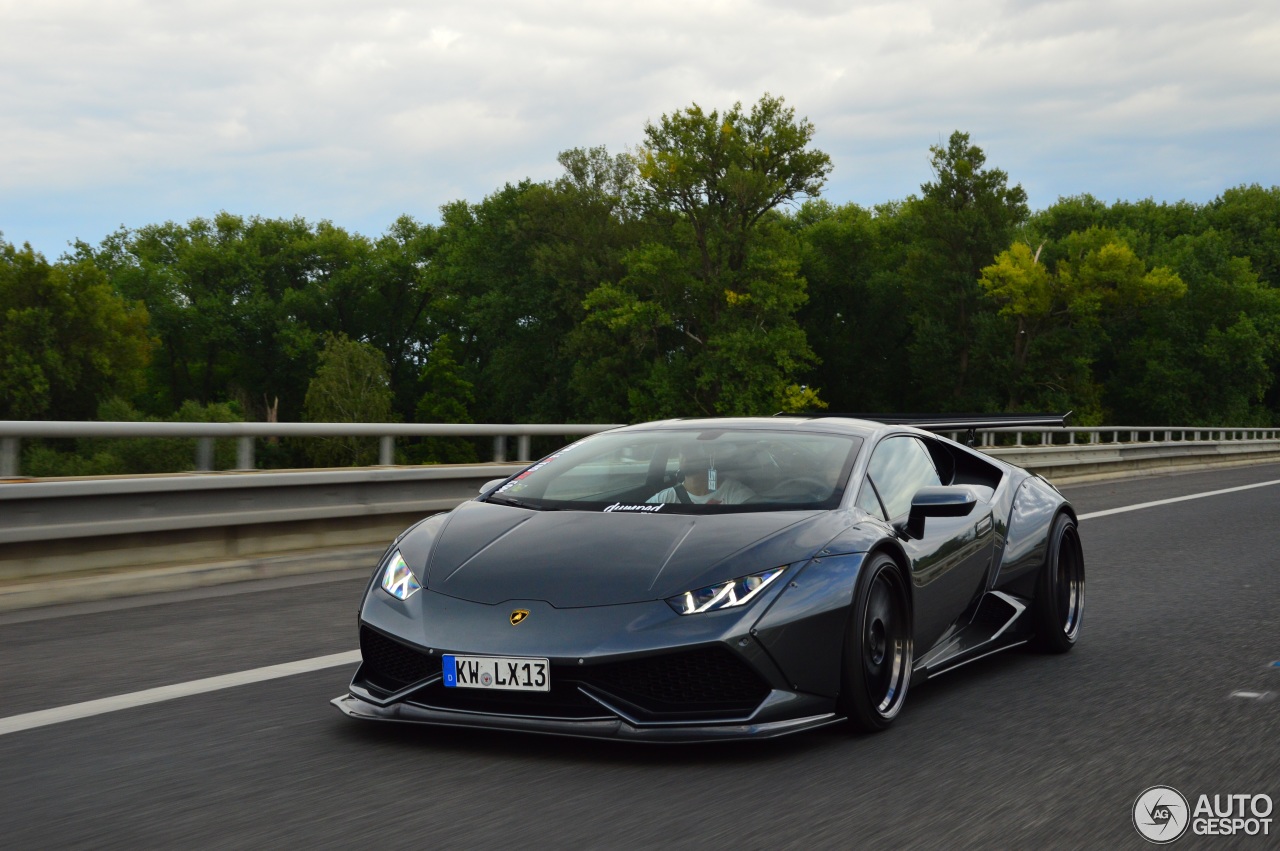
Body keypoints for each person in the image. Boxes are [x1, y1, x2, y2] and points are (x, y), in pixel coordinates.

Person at [647, 443, 756, 505]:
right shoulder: (665, 498)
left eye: (693, 450)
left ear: (711, 457)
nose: (686, 456)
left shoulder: (736, 494)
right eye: (683, 451)